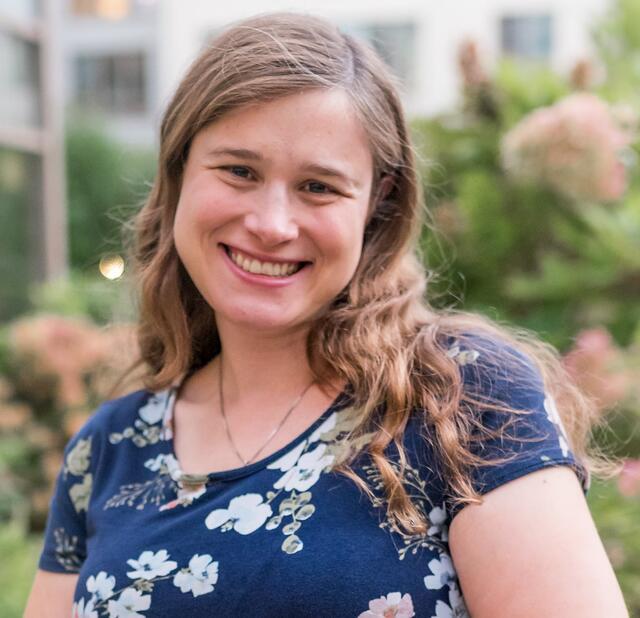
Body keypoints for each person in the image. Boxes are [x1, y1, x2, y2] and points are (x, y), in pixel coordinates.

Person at [25, 12, 628, 618]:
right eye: (239, 171)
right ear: (178, 172)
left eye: (318, 187)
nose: (271, 223)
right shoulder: (107, 451)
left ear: (377, 204)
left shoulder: (463, 399)